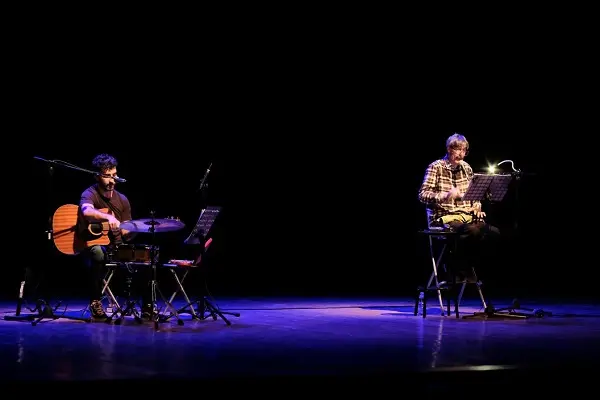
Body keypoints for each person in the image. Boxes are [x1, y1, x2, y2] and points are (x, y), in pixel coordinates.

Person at [417, 133, 500, 280]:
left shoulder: (466, 168)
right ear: (449, 149)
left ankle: (462, 266)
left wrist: (477, 207)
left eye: (464, 150)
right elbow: (422, 195)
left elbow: (474, 195)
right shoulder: (435, 167)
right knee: (472, 230)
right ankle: (458, 269)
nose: (461, 154)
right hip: (442, 217)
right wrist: (444, 195)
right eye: (458, 149)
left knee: (493, 232)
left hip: (465, 215)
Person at [78, 154, 150, 319]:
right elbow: (86, 211)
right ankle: (95, 301)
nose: (112, 180)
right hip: (93, 247)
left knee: (147, 256)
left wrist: (141, 227)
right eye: (107, 176)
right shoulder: (90, 193)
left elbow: (125, 232)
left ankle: (148, 306)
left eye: (114, 175)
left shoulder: (123, 200)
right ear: (97, 176)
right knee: (97, 252)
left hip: (117, 248)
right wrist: (108, 217)